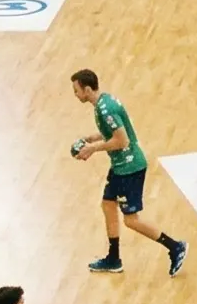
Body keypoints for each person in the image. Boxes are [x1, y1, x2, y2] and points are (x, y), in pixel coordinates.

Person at [69, 68, 189, 275]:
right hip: (120, 166)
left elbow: (122, 140)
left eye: (76, 90)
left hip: (129, 168)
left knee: (131, 220)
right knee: (107, 204)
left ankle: (175, 246)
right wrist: (92, 138)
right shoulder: (103, 103)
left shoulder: (105, 109)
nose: (75, 95)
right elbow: (114, 130)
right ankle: (114, 258)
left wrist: (92, 149)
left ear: (87, 89)